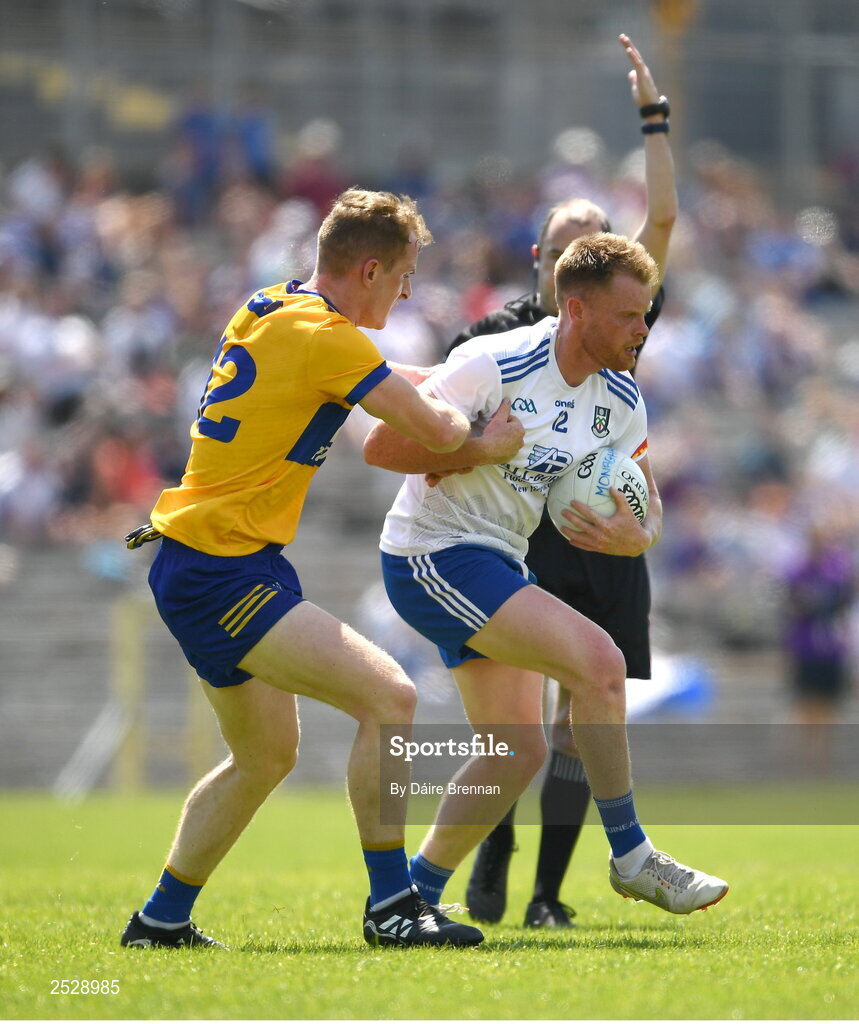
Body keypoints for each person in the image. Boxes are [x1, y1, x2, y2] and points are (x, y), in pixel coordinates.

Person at [119, 188, 518, 950]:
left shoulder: (274, 305)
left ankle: (159, 919)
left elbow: (371, 365)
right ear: (369, 269)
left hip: (206, 559)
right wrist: (485, 437)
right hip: (222, 570)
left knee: (265, 756)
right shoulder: (328, 340)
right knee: (390, 698)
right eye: (401, 277)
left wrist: (451, 369)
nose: (405, 292)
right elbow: (435, 430)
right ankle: (393, 906)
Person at [364, 231, 729, 918]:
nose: (641, 329)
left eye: (646, 313)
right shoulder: (494, 361)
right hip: (430, 552)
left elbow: (646, 510)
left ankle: (411, 898)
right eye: (627, 316)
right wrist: (477, 446)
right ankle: (631, 854)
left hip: (498, 559)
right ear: (576, 310)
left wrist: (635, 536)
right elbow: (382, 445)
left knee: (516, 750)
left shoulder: (620, 398)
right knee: (599, 662)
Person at [450, 33, 677, 929]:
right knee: (511, 721)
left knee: (583, 719)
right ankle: (491, 861)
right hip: (520, 535)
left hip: (605, 531)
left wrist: (652, 121)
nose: (578, 255)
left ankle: (549, 892)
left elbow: (661, 223)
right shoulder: (499, 338)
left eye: (595, 243)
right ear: (540, 262)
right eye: (562, 246)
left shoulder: (627, 319)